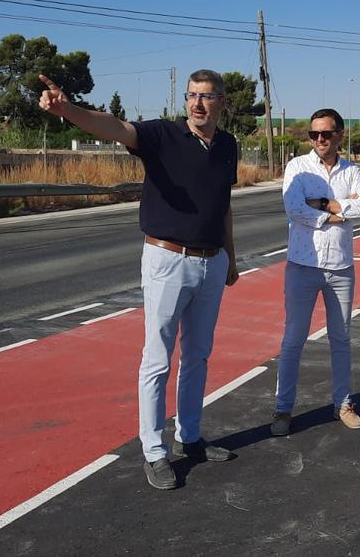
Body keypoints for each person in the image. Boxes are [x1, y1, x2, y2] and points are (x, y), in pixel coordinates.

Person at [37, 70, 241, 492]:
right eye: (192, 96)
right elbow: (114, 127)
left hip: (211, 261)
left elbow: (223, 207)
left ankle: (190, 438)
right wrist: (68, 109)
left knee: (199, 355)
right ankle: (154, 451)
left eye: (207, 97)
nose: (198, 104)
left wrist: (231, 260)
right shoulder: (162, 136)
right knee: (158, 359)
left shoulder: (227, 145)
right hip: (168, 259)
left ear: (222, 102)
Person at [271, 108, 360, 436]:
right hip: (302, 266)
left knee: (341, 339)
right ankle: (283, 409)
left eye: (326, 134)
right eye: (314, 134)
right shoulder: (297, 167)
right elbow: (293, 208)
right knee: (293, 340)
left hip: (341, 268)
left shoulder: (351, 170)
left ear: (340, 134)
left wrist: (324, 204)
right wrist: (338, 211)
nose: (319, 140)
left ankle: (343, 403)